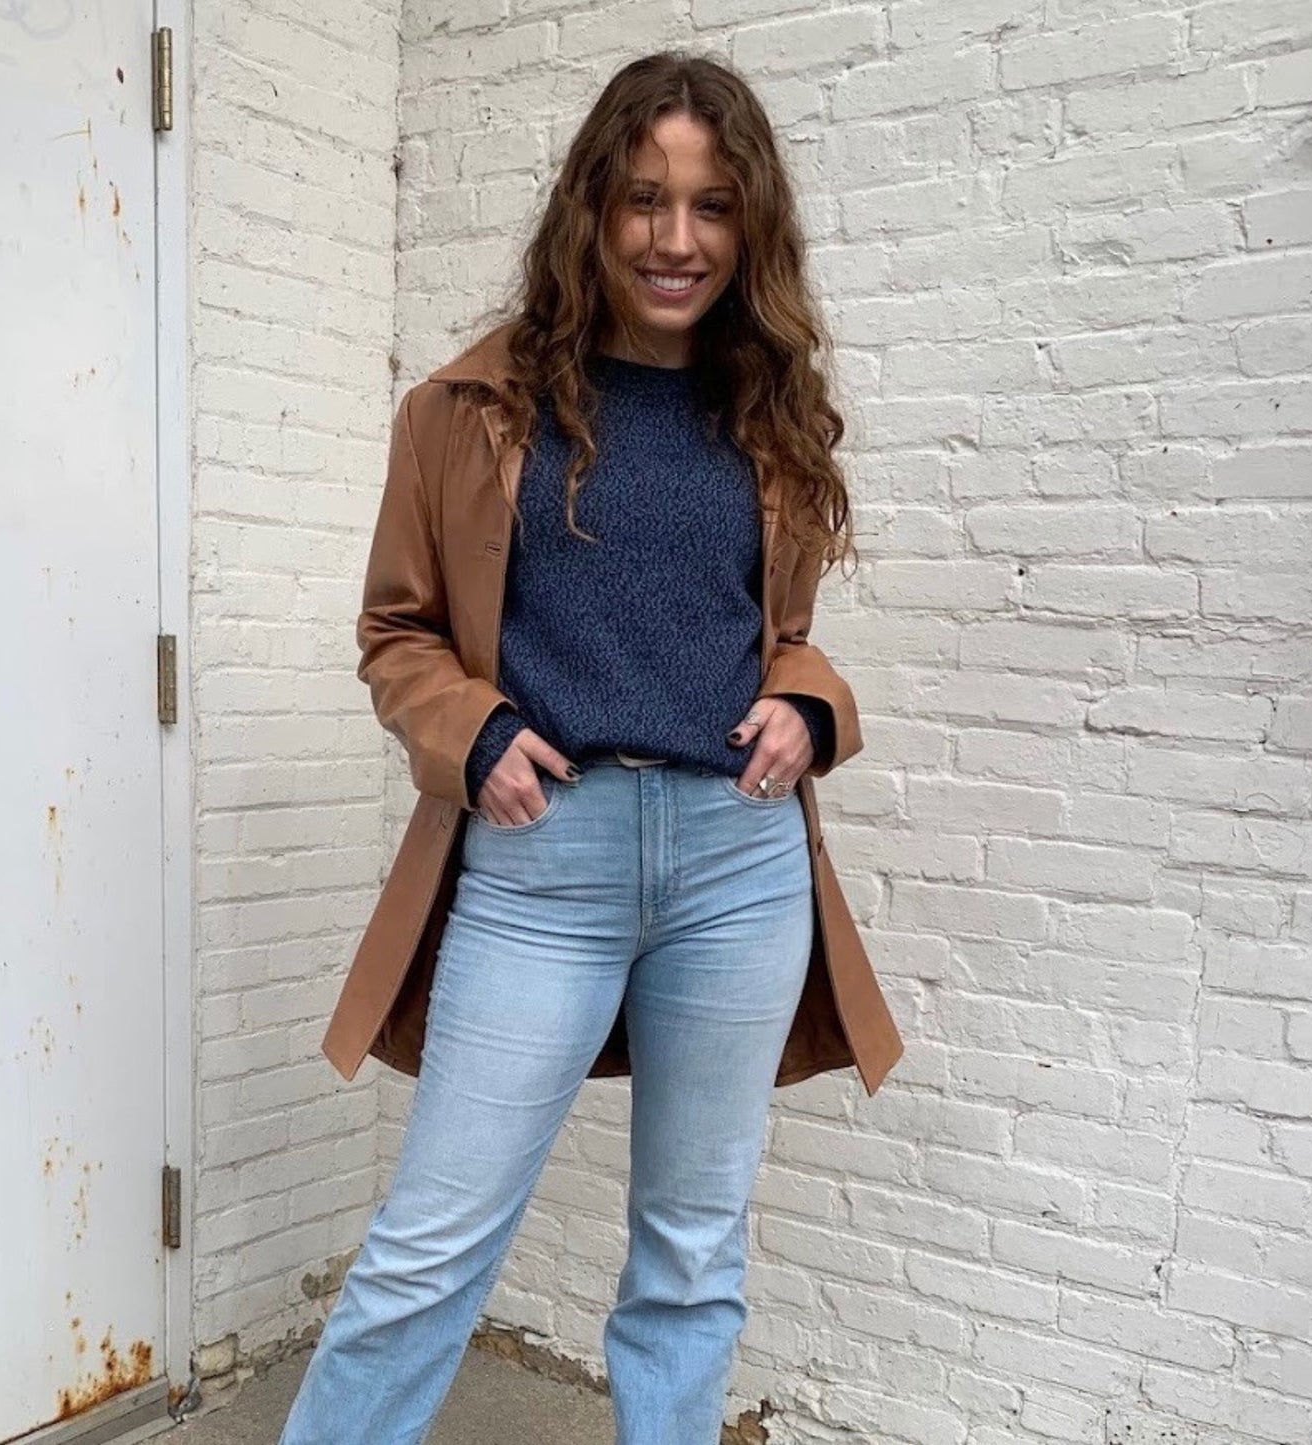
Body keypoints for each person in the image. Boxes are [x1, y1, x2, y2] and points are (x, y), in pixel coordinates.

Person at [279, 49, 902, 1445]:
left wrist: (811, 706)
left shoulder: (769, 408)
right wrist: (477, 729)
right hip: (538, 862)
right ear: (590, 208)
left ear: (750, 229)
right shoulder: (465, 409)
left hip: (741, 871)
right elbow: (398, 632)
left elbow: (776, 632)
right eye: (642, 199)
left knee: (690, 1259)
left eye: (711, 206)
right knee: (427, 1252)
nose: (674, 239)